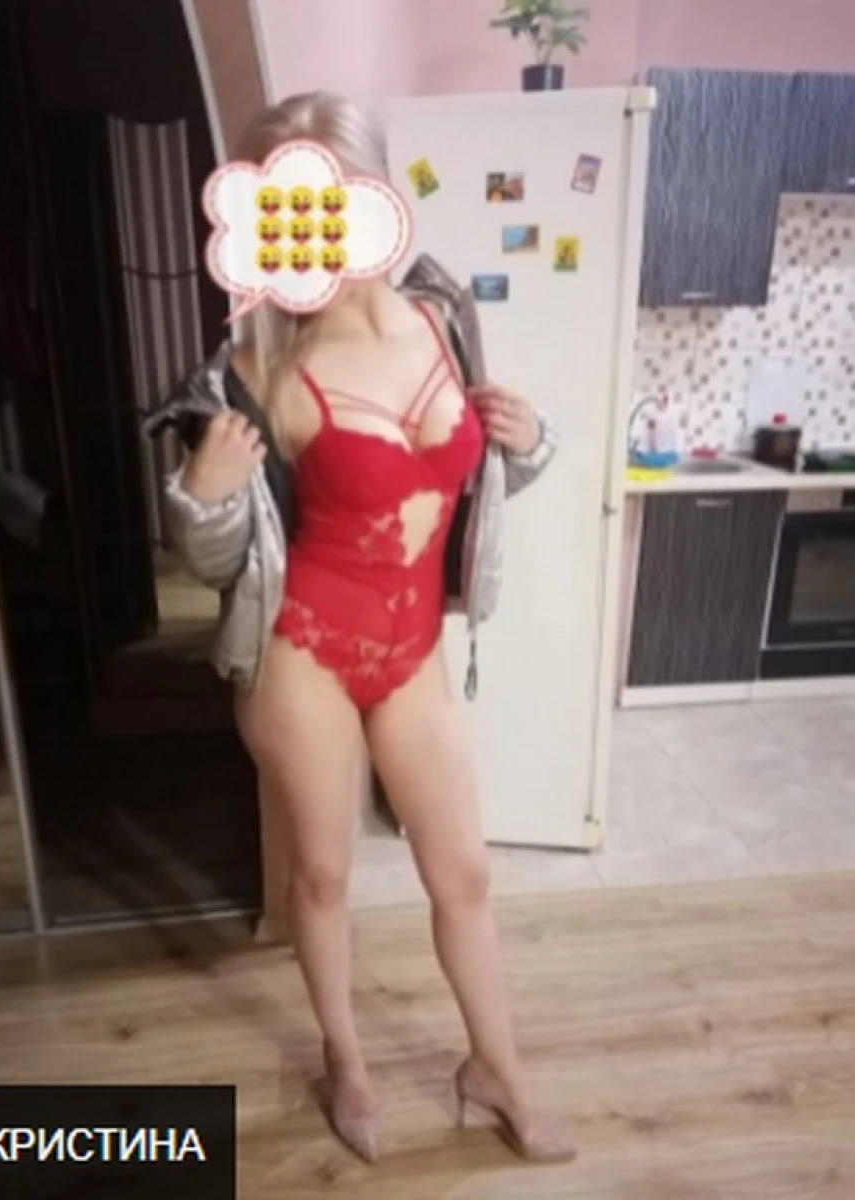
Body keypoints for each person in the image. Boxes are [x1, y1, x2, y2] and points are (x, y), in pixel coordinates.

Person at [153, 91, 573, 1166]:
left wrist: (529, 441)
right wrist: (200, 493)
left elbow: (456, 493)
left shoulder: (442, 319)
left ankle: (497, 1070)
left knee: (463, 875)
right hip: (307, 653)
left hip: (413, 648)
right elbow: (213, 554)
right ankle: (345, 1061)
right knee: (324, 878)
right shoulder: (256, 369)